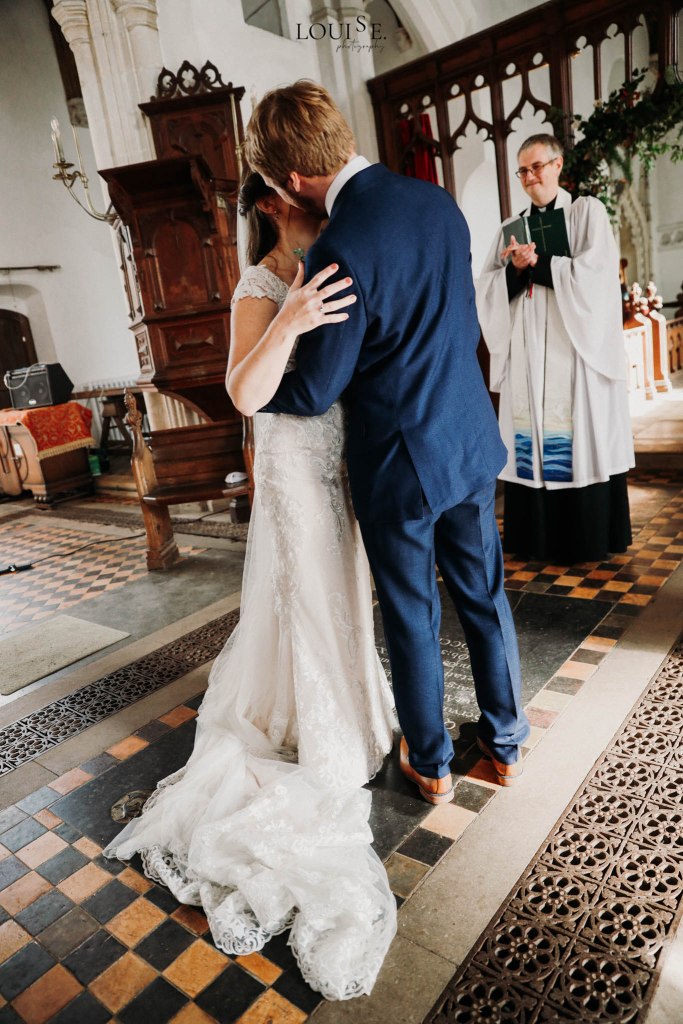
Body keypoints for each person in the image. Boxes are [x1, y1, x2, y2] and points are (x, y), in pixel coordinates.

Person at [104, 169, 398, 1001]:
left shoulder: (332, 256)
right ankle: (305, 723)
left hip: (337, 454)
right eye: (303, 195)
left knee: (345, 592)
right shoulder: (259, 285)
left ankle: (352, 709)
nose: (319, 206)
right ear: (273, 204)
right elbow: (243, 389)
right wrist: (292, 318)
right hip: (291, 463)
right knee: (305, 597)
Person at [244, 80, 530, 799]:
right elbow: (457, 324)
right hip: (467, 439)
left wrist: (258, 385)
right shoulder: (437, 203)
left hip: (400, 465)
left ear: (294, 180)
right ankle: (505, 744)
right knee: (484, 598)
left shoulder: (338, 247)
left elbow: (316, 390)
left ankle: (430, 764)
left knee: (412, 615)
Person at [476, 133, 635, 563]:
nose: (530, 177)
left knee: (578, 436)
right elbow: (486, 290)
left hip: (573, 351)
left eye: (537, 167)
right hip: (528, 355)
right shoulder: (510, 228)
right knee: (530, 439)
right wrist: (514, 270)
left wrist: (541, 264)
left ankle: (586, 538)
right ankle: (536, 540)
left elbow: (597, 277)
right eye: (522, 171)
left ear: (558, 165)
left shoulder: (586, 213)